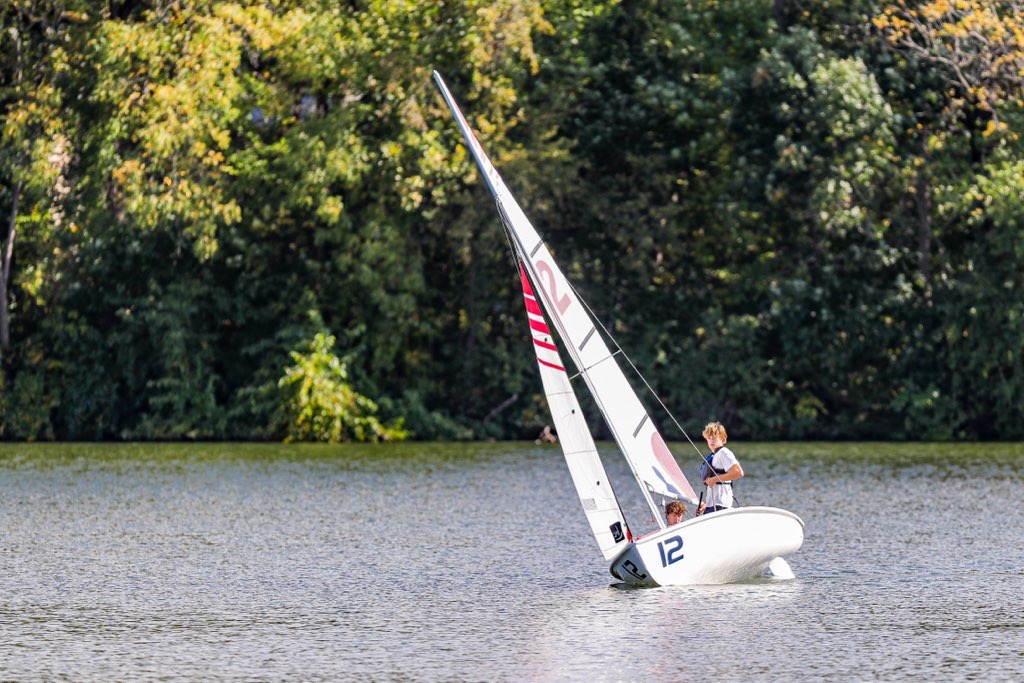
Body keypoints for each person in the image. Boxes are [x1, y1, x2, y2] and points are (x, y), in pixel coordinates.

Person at [695, 421, 743, 515]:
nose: (711, 440)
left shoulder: (724, 452)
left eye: (714, 438)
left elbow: (738, 472)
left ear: (722, 438)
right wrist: (705, 505)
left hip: (721, 505)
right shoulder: (714, 455)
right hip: (711, 505)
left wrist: (714, 479)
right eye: (709, 438)